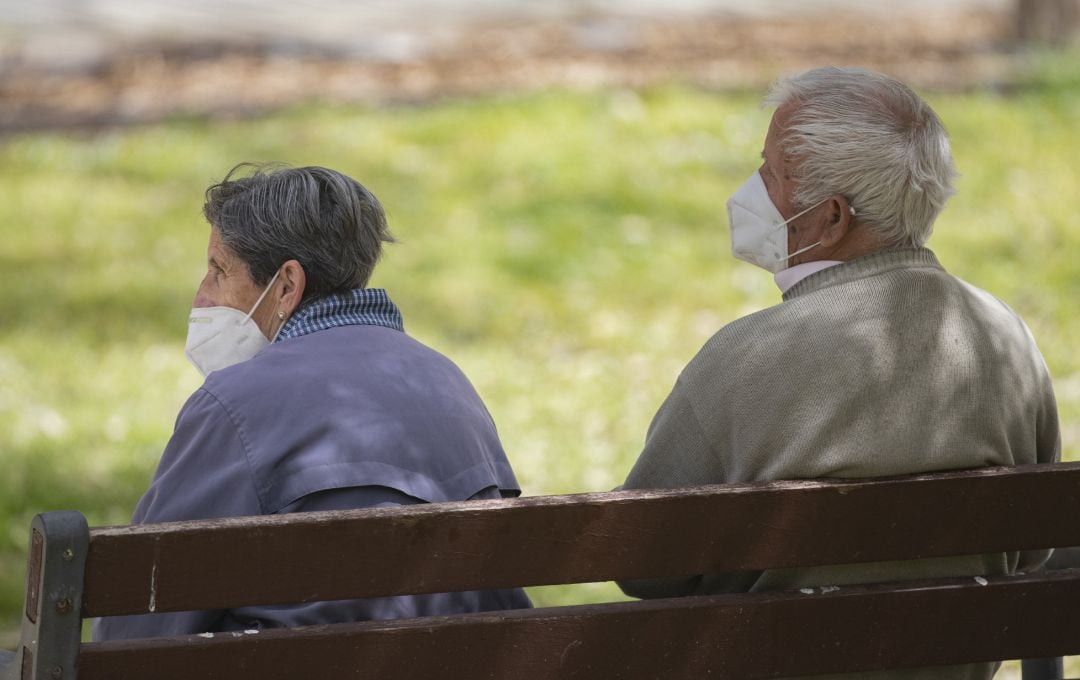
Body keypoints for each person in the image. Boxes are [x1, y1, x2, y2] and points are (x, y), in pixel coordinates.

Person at [617, 67, 1060, 678]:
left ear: (831, 218)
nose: (751, 188)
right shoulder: (1004, 335)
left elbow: (644, 565)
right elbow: (1033, 547)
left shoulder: (746, 358)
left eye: (769, 173)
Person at [94, 163, 530, 640]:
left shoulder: (235, 404)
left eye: (219, 270)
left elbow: (139, 623)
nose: (201, 297)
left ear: (286, 286)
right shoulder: (447, 381)